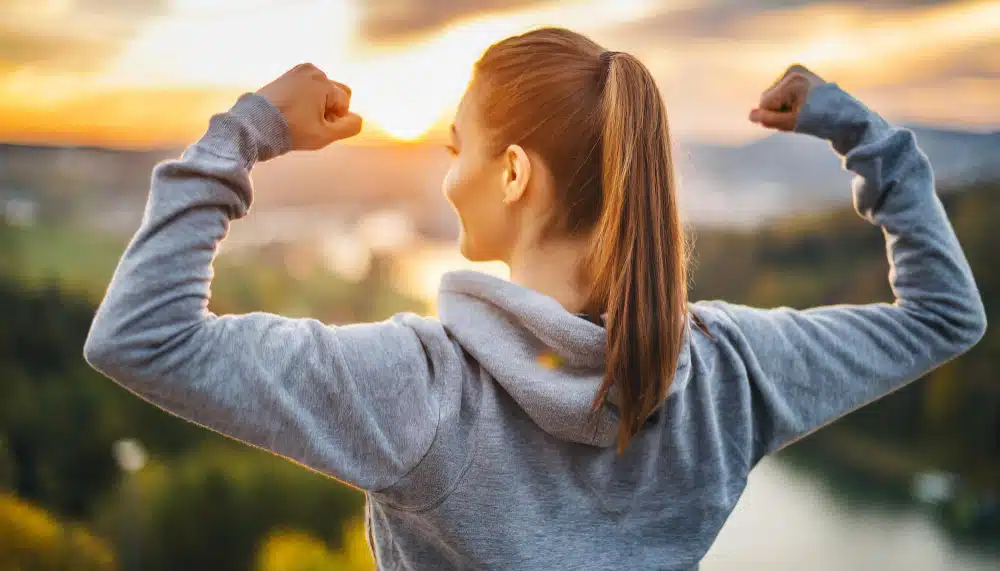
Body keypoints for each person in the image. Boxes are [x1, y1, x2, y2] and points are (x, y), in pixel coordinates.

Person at [84, 26, 986, 570]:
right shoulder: (727, 374)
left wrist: (250, 130)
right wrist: (865, 139)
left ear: (512, 172)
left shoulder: (423, 390)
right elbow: (948, 315)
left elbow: (141, 335)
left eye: (455, 150)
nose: (447, 177)